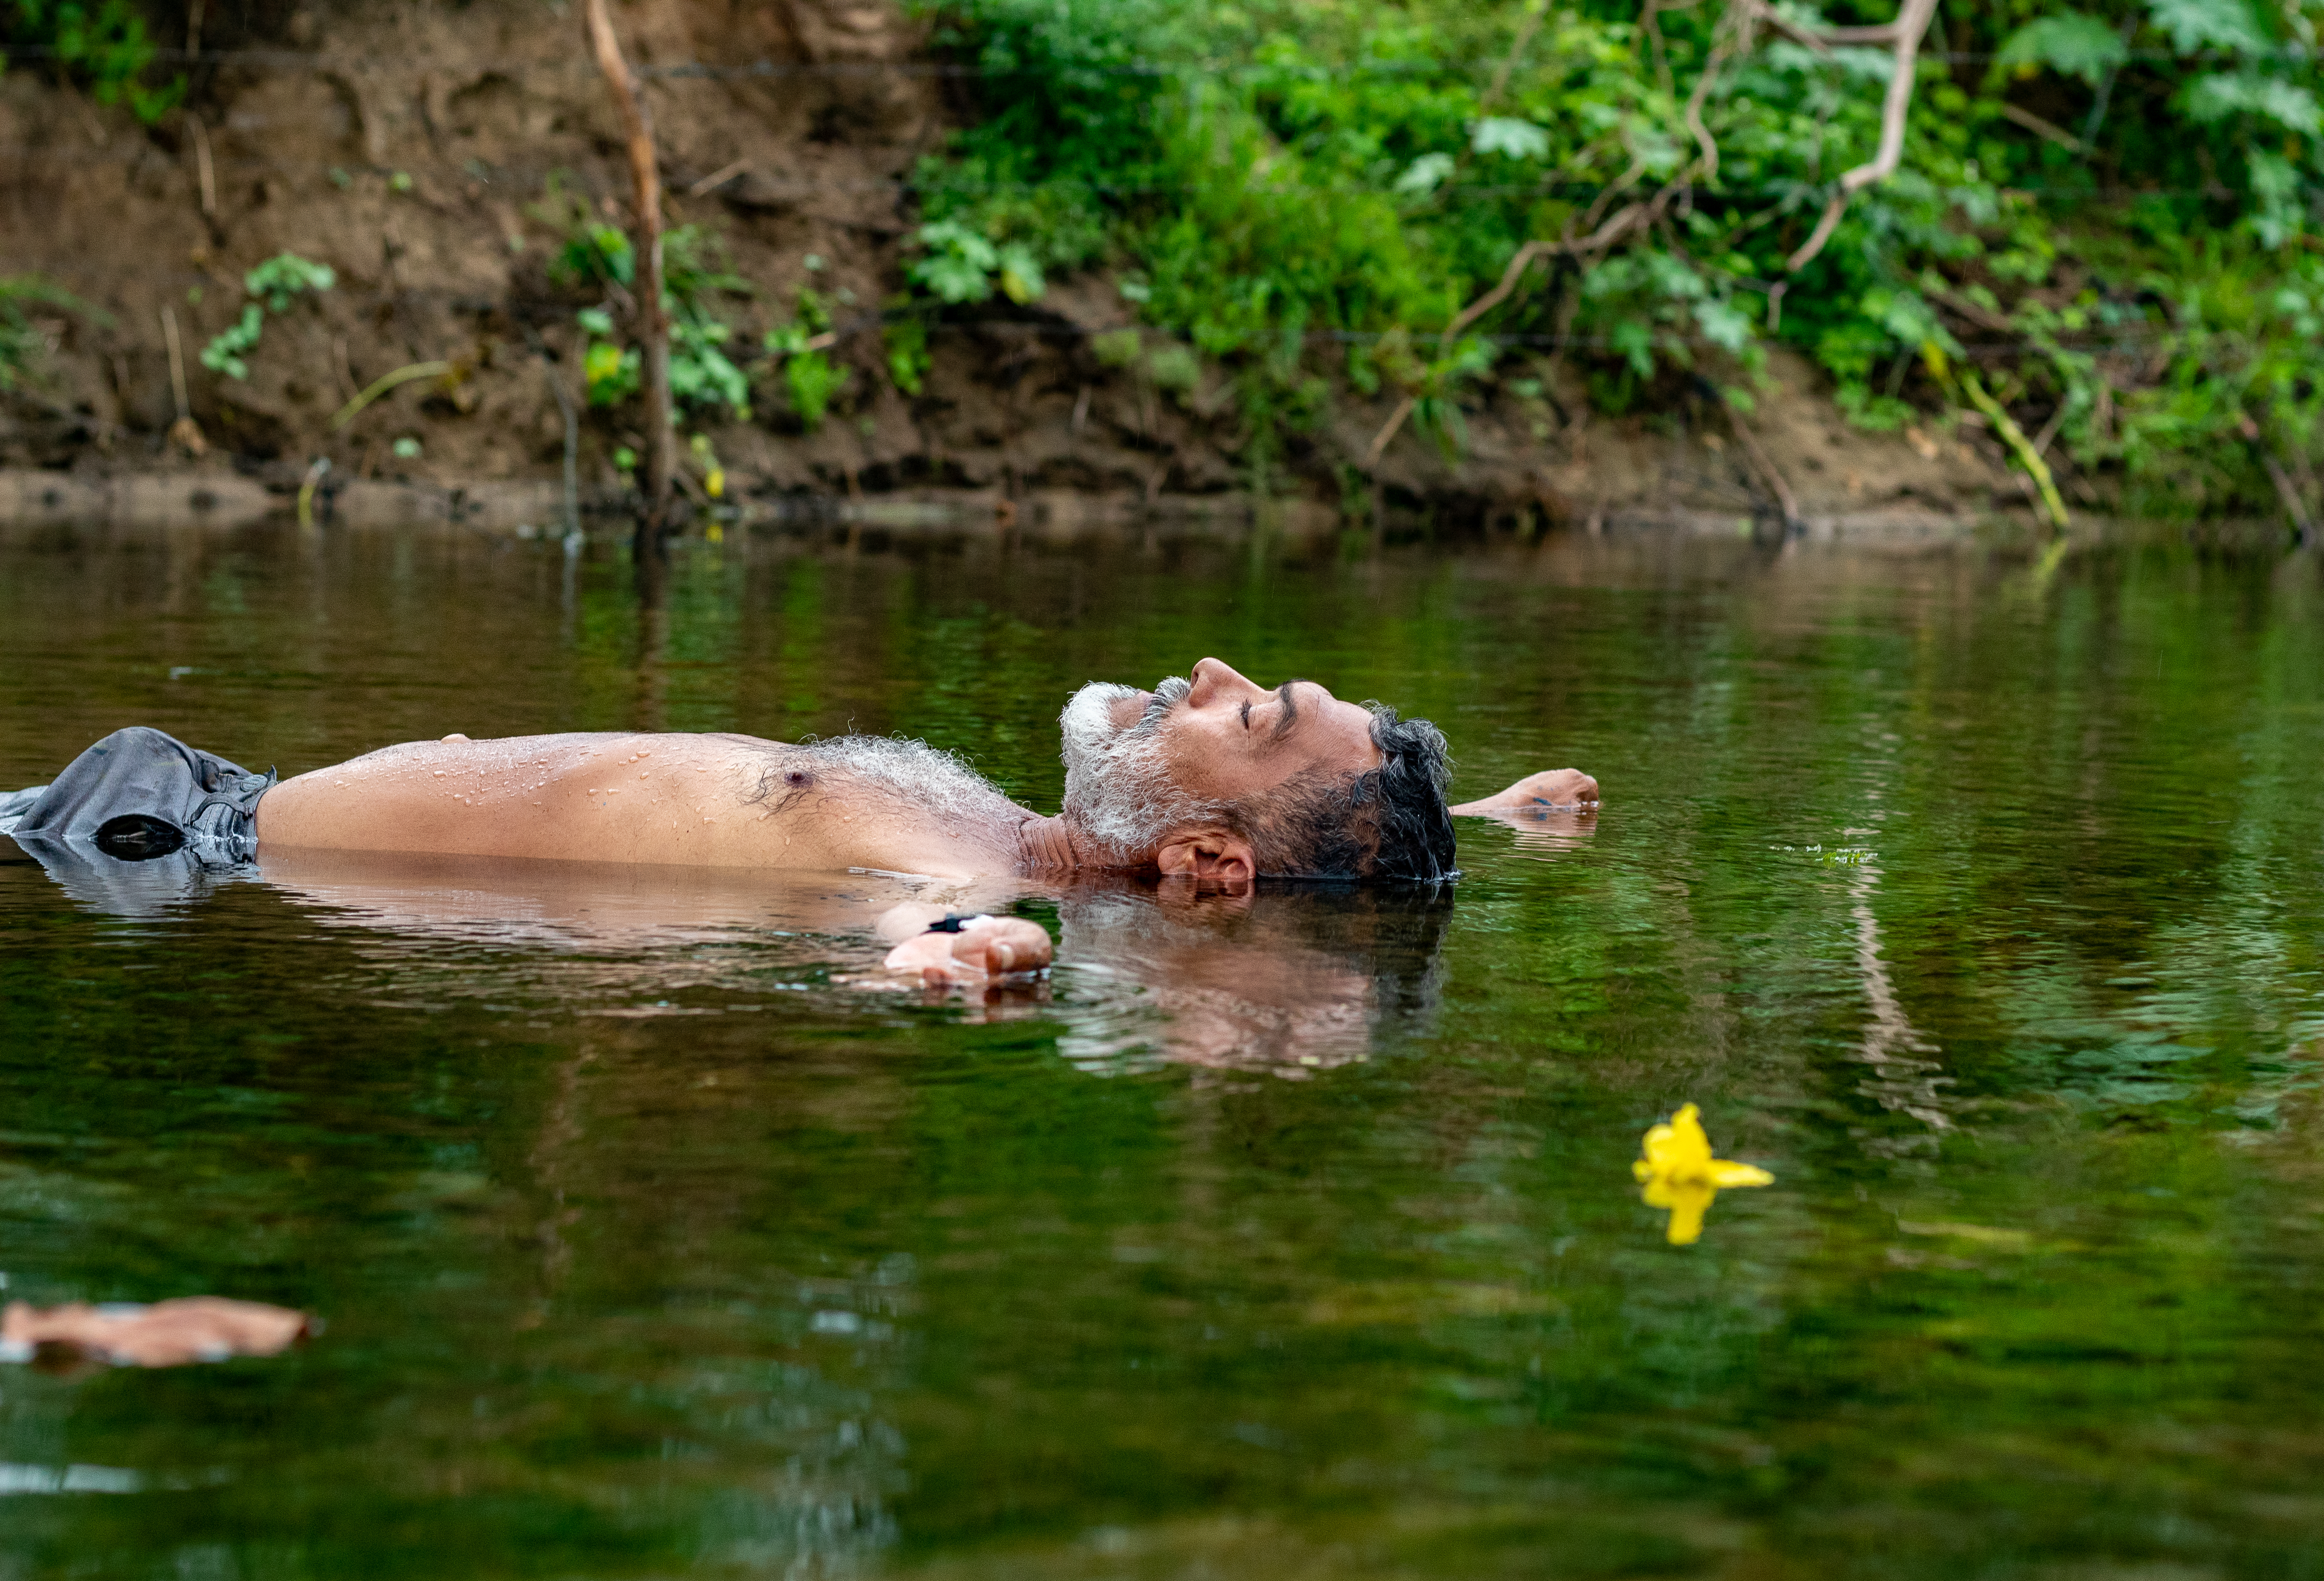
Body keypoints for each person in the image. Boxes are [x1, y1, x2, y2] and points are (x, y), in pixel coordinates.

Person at [2, 657, 1597, 977]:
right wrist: (1488, 810)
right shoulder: (1011, 823)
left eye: (1248, 719)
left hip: (163, 845)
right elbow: (1300, 864)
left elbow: (907, 934)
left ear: (1205, 860)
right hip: (187, 812)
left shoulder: (959, 874)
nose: (1210, 668)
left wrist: (937, 963)